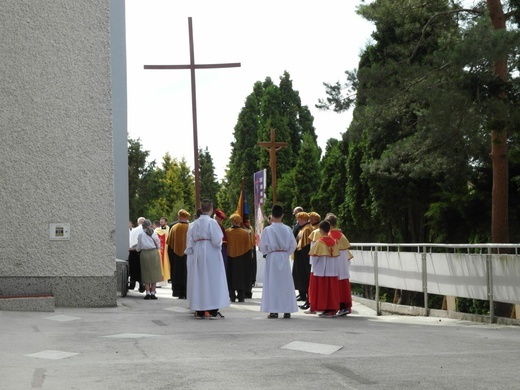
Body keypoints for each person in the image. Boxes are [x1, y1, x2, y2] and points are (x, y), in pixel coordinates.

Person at [185, 199, 230, 319]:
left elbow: (190, 240)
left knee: (199, 279)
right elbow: (216, 240)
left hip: (198, 250)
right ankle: (211, 308)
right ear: (211, 209)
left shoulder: (194, 223)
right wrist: (220, 243)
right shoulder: (212, 223)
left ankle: (199, 309)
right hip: (210, 251)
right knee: (212, 279)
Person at [259, 204, 298, 319]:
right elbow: (293, 245)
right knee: (285, 283)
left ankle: (274, 310)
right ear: (283, 215)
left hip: (272, 257)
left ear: (272, 215)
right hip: (283, 256)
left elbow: (262, 247)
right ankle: (287, 310)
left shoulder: (268, 229)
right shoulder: (287, 229)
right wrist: (286, 253)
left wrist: (268, 252)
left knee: (273, 284)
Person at [308, 220, 340, 317]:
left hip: (322, 271)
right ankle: (332, 310)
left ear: (321, 230)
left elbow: (314, 257)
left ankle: (326, 309)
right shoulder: (334, 242)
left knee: (323, 292)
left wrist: (314, 267)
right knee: (332, 291)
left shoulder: (319, 242)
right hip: (332, 270)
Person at [325, 213, 353, 316]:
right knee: (342, 287)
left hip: (334, 264)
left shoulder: (329, 236)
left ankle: (334, 308)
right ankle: (343, 307)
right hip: (343, 265)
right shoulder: (341, 235)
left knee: (334, 287)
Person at [134, 219, 163, 300]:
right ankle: (153, 292)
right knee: (155, 272)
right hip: (154, 253)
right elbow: (158, 245)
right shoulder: (154, 234)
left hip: (144, 254)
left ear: (143, 226)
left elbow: (138, 248)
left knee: (145, 272)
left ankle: (147, 292)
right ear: (150, 225)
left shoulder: (141, 235)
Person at [225, 213, 251, 302]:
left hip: (230, 258)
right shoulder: (245, 233)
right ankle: (241, 296)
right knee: (242, 277)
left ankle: (231, 296)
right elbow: (248, 247)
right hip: (242, 258)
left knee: (230, 277)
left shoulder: (227, 232)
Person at [166, 209, 190, 299]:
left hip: (176, 255)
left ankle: (178, 292)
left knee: (177, 273)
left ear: (179, 216)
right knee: (186, 273)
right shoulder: (190, 227)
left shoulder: (174, 227)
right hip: (187, 255)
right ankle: (186, 291)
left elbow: (169, 244)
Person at [293, 211, 313, 309]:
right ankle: (303, 294)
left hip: (304, 257)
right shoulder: (304, 228)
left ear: (304, 219)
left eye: (299, 219)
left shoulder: (307, 229)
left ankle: (306, 296)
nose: (298, 220)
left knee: (305, 276)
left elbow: (306, 245)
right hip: (300, 256)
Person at [128, 217, 145, 293]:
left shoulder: (134, 230)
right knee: (141, 269)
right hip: (142, 252)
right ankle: (141, 285)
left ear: (138, 223)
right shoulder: (145, 230)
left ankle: (132, 283)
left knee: (133, 269)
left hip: (132, 252)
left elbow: (130, 241)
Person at [243, 216, 257, 299]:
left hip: (249, 252)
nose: (248, 222)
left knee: (249, 272)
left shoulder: (249, 229)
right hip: (246, 252)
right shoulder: (246, 229)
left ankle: (248, 290)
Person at [155, 216, 170, 283]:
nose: (161, 223)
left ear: (166, 222)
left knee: (165, 264)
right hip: (159, 249)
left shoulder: (168, 229)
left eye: (162, 222)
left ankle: (165, 280)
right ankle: (158, 280)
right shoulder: (157, 230)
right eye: (160, 222)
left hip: (165, 249)